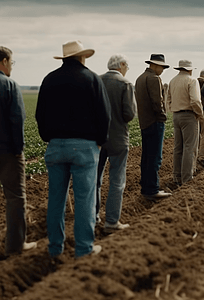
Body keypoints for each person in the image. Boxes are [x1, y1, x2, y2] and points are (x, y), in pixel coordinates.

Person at [36, 40, 110, 258]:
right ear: (82, 57)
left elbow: (40, 115)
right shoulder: (92, 79)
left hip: (55, 146)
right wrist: (99, 141)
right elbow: (104, 116)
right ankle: (84, 249)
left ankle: (54, 248)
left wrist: (48, 137)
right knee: (84, 200)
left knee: (56, 199)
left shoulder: (49, 80)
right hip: (85, 147)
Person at [0, 46, 37, 256]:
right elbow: (17, 120)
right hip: (6, 151)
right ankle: (15, 245)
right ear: (4, 61)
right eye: (11, 62)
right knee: (14, 197)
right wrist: (18, 150)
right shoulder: (9, 85)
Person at [96, 54, 136, 232]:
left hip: (97, 137)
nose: (127, 69)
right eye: (127, 66)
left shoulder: (96, 81)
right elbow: (129, 114)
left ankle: (93, 216)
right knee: (117, 180)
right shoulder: (125, 84)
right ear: (121, 65)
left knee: (95, 179)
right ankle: (112, 221)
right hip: (118, 137)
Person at [135, 54, 172, 200]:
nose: (162, 70)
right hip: (155, 122)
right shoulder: (154, 79)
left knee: (146, 156)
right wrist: (163, 117)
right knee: (155, 157)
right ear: (154, 65)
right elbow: (158, 102)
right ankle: (152, 189)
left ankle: (146, 186)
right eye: (162, 67)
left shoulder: (140, 78)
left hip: (144, 122)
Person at [167, 60, 204, 184]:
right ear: (190, 69)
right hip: (189, 116)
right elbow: (195, 101)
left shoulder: (172, 81)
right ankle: (187, 178)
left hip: (176, 115)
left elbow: (168, 100)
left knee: (178, 147)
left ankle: (176, 177)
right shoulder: (192, 81)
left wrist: (174, 110)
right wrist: (199, 113)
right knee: (189, 147)